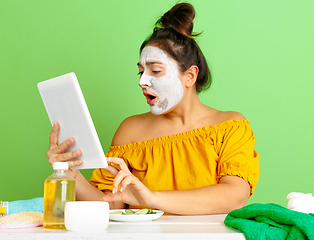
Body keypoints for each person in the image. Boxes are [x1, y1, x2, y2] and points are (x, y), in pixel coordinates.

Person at [46, 3, 259, 215]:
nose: (143, 81)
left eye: (155, 71)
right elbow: (111, 204)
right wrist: (71, 174)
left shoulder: (229, 127)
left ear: (190, 76)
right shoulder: (130, 130)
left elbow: (235, 196)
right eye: (141, 72)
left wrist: (150, 197)